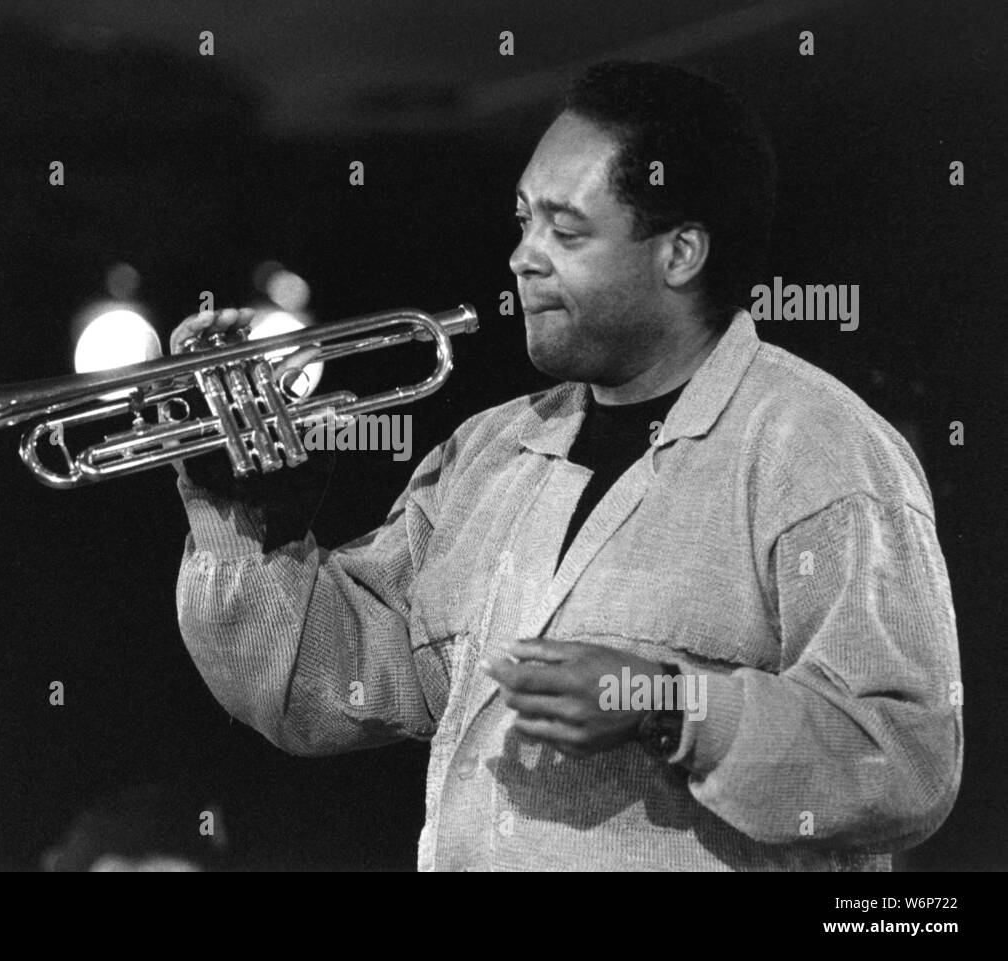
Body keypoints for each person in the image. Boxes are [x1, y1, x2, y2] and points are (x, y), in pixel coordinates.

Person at [168, 61, 962, 871]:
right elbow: (311, 691)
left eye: (565, 230)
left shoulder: (816, 446)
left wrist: (665, 702)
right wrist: (237, 513)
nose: (521, 258)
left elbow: (906, 759)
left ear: (680, 252)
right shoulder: (489, 453)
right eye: (522, 221)